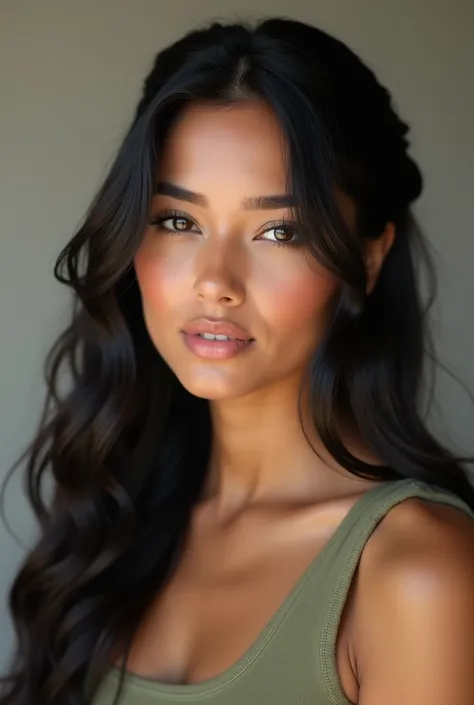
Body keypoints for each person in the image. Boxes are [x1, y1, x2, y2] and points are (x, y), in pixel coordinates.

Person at [1, 15, 474, 705]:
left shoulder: (416, 571)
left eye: (279, 230)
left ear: (369, 258)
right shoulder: (119, 520)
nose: (216, 279)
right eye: (178, 221)